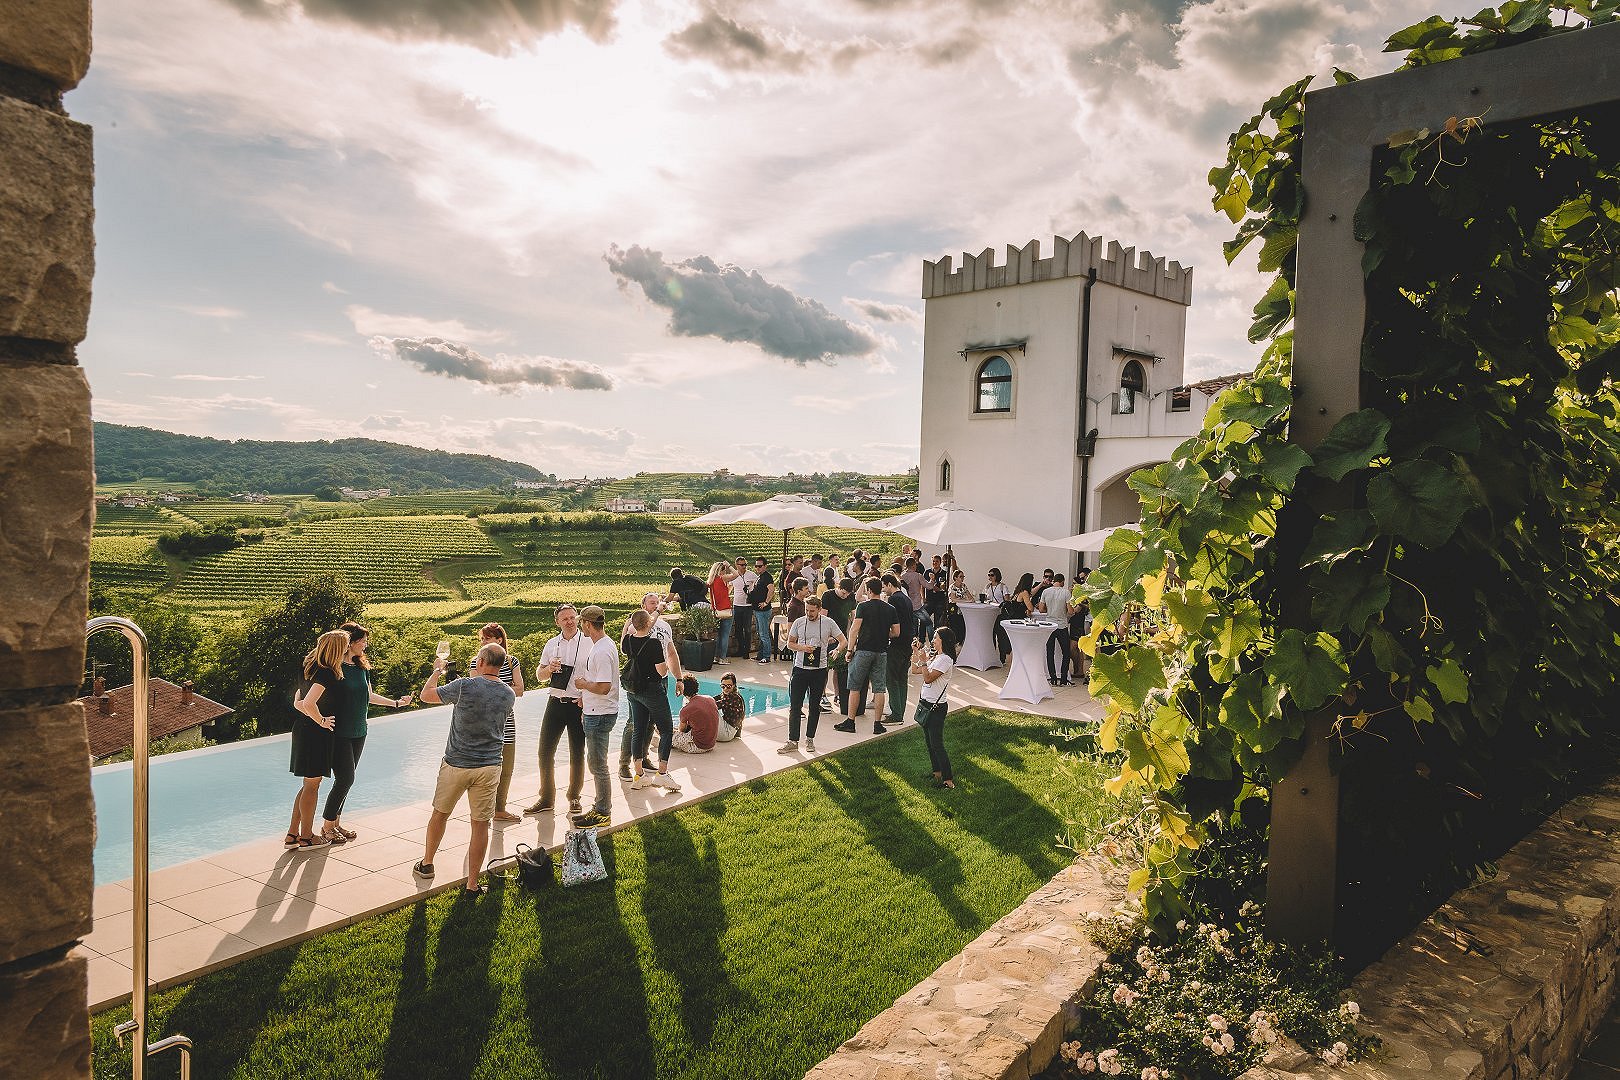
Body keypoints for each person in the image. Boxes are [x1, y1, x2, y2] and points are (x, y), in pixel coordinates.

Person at [413, 641, 515, 895]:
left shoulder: (464, 686)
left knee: (440, 814)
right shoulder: (508, 694)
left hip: (457, 763)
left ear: (480, 662)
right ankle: (472, 884)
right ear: (501, 666)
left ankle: (426, 864)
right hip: (490, 766)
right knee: (480, 825)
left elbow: (426, 695)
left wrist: (438, 670)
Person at [320, 622, 411, 845]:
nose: (366, 646)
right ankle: (327, 826)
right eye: (362, 641)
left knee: (347, 781)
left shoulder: (361, 668)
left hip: (359, 730)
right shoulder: (334, 669)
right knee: (345, 778)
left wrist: (397, 703)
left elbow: (369, 696)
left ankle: (336, 822)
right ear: (350, 643)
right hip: (338, 731)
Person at [286, 629, 348, 850]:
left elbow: (298, 701)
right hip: (314, 733)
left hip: (304, 729)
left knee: (308, 785)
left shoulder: (310, 667)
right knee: (312, 786)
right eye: (345, 646)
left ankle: (292, 835)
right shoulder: (327, 673)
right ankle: (307, 837)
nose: (347, 650)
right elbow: (309, 703)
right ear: (338, 649)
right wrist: (321, 721)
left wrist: (306, 710)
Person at [527, 604, 587, 817]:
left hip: (577, 704)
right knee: (545, 751)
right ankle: (546, 798)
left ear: (577, 619)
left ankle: (574, 797)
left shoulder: (588, 642)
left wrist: (586, 700)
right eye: (565, 619)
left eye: (572, 617)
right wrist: (548, 669)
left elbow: (596, 675)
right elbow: (539, 676)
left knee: (577, 753)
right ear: (557, 622)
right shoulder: (551, 644)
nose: (570, 621)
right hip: (555, 702)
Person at [569, 605, 619, 829]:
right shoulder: (604, 645)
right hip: (596, 711)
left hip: (600, 714)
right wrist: (585, 698)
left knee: (598, 764)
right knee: (596, 762)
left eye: (582, 623)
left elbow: (604, 686)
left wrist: (582, 685)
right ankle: (600, 806)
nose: (581, 627)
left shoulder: (600, 650)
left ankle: (603, 812)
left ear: (588, 625)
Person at [620, 592, 681, 777]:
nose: (656, 605)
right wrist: (655, 615)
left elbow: (671, 653)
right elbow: (638, 633)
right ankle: (624, 764)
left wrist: (678, 678)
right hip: (644, 683)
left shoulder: (664, 627)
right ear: (643, 606)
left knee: (647, 724)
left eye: (657, 603)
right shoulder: (634, 626)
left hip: (657, 682)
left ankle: (643, 762)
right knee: (635, 724)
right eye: (652, 603)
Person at [780, 594, 847, 754]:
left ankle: (810, 739)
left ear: (819, 609)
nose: (809, 613)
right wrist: (802, 648)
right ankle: (792, 740)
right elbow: (789, 643)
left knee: (814, 706)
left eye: (812, 611)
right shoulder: (798, 622)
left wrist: (837, 650)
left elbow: (843, 640)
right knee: (795, 706)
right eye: (807, 610)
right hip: (800, 669)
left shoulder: (828, 623)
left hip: (819, 670)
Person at [836, 578, 896, 735]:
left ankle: (850, 722)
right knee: (879, 688)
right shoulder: (890, 608)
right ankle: (877, 724)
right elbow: (896, 632)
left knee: (855, 687)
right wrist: (884, 633)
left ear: (869, 590)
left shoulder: (863, 606)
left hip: (863, 651)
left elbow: (854, 629)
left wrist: (849, 650)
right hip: (881, 652)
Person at [479, 622, 525, 822]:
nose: (483, 642)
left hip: (507, 719)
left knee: (506, 768)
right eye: (481, 639)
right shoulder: (477, 662)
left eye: (487, 639)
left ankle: (499, 809)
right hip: (485, 722)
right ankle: (483, 809)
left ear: (499, 640)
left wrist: (493, 687)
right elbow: (477, 691)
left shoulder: (512, 661)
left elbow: (521, 690)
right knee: (485, 767)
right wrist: (505, 689)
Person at [911, 627, 958, 789]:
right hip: (926, 704)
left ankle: (948, 780)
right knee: (929, 743)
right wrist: (916, 652)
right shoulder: (936, 657)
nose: (933, 640)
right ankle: (937, 772)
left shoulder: (945, 660)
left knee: (937, 744)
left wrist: (924, 660)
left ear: (943, 640)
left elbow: (929, 678)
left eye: (936, 638)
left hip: (936, 708)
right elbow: (915, 670)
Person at [881, 573, 916, 727]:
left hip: (897, 643)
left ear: (889, 584)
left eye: (884, 586)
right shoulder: (906, 599)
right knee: (902, 679)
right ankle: (900, 712)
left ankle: (896, 714)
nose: (883, 589)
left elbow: (893, 623)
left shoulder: (894, 599)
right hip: (907, 643)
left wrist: (886, 633)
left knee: (892, 679)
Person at [1039, 573, 1074, 685]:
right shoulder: (1066, 592)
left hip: (1049, 625)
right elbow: (1070, 611)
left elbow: (1041, 609)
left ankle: (1053, 677)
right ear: (1062, 581)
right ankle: (1063, 678)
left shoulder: (1046, 592)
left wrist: (1050, 611)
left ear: (1054, 581)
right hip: (1061, 625)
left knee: (1050, 652)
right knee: (1066, 652)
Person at [671, 676, 721, 754]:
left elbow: (681, 730)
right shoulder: (710, 699)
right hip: (711, 744)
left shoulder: (686, 710)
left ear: (682, 690)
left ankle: (658, 741)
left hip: (698, 747)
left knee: (667, 734)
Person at [708, 560, 738, 664]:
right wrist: (728, 565)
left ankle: (716, 657)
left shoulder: (711, 582)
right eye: (724, 570)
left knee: (719, 635)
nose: (725, 572)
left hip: (717, 611)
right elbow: (736, 574)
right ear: (720, 570)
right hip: (726, 610)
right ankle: (722, 658)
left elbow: (720, 595)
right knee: (725, 635)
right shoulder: (722, 578)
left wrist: (728, 589)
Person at [746, 556, 776, 663]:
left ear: (765, 566)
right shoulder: (760, 577)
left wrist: (766, 602)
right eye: (756, 566)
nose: (757, 568)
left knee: (763, 634)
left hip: (763, 610)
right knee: (760, 633)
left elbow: (771, 590)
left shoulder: (767, 577)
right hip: (758, 609)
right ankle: (761, 655)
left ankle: (766, 656)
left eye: (760, 566)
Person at [728, 555, 758, 660]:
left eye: (745, 564)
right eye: (742, 565)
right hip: (737, 605)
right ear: (736, 565)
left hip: (748, 606)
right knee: (738, 630)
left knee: (748, 630)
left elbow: (758, 585)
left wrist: (751, 592)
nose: (744, 566)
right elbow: (729, 588)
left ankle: (746, 651)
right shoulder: (733, 576)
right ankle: (741, 650)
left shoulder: (752, 575)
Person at [901, 557, 928, 642]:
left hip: (906, 604)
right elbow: (928, 586)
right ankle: (918, 641)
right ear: (913, 565)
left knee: (910, 623)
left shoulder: (902, 576)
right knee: (925, 622)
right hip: (916, 604)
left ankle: (911, 641)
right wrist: (932, 580)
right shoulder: (918, 575)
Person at [713, 672, 744, 741]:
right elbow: (712, 699)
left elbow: (713, 705)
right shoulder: (726, 694)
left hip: (727, 733)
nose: (725, 689)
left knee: (709, 708)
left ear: (734, 685)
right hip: (728, 731)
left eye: (729, 686)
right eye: (723, 686)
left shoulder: (734, 697)